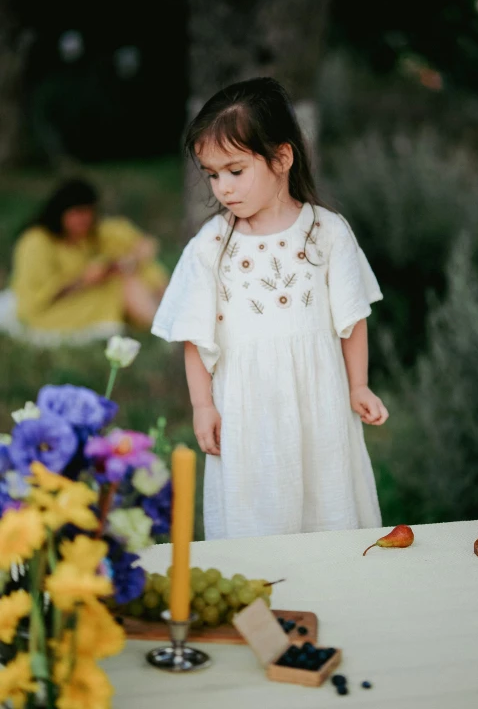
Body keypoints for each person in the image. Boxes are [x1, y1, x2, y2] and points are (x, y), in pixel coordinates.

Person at [152, 77, 389, 540]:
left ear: (281, 158)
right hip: (245, 409)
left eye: (235, 171)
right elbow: (196, 335)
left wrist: (357, 384)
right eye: (212, 174)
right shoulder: (212, 246)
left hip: (318, 402)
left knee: (326, 498)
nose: (222, 188)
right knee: (256, 510)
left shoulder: (326, 233)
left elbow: (352, 318)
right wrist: (203, 406)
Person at [7, 178, 167, 343]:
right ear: (60, 212)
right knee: (123, 284)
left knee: (142, 271)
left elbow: (142, 243)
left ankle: (168, 316)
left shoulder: (91, 234)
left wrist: (126, 261)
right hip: (52, 311)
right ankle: (161, 325)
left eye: (88, 213)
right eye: (77, 214)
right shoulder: (36, 242)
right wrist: (83, 281)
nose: (84, 220)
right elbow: (39, 299)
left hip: (89, 295)